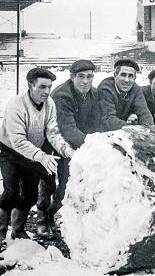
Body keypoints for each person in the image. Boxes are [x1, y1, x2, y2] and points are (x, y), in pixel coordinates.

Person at [0, 68, 75, 250]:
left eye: (49, 87)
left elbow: (52, 131)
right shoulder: (16, 105)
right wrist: (41, 156)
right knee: (11, 192)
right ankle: (1, 232)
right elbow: (17, 140)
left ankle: (17, 230)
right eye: (42, 87)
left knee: (31, 194)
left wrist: (67, 150)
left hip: (33, 152)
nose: (47, 91)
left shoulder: (49, 103)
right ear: (30, 85)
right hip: (10, 151)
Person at [39, 59, 101, 235]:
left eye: (89, 77)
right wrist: (92, 144)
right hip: (52, 142)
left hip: (78, 144)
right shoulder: (62, 95)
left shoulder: (94, 94)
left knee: (68, 184)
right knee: (48, 182)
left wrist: (99, 140)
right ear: (72, 77)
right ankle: (43, 218)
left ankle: (59, 215)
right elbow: (67, 128)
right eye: (81, 77)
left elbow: (96, 122)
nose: (85, 81)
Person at [97, 58, 154, 131]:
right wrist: (133, 129)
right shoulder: (105, 89)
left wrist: (149, 130)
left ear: (134, 78)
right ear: (115, 76)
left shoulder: (136, 89)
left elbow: (144, 113)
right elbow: (109, 119)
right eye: (123, 75)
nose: (126, 80)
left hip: (124, 128)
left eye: (130, 76)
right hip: (104, 131)